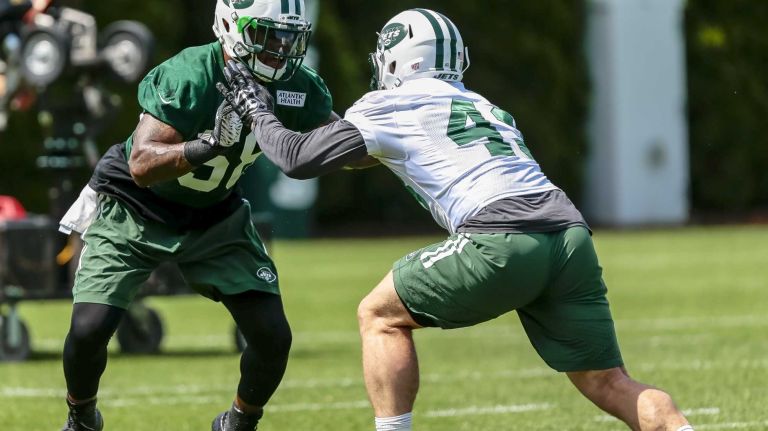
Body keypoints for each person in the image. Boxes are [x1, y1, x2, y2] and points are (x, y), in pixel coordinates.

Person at [219, 8, 696, 431]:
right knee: (608, 381)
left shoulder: (391, 103)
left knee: (379, 315)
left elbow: (297, 161)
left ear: (396, 60)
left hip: (502, 235)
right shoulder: (484, 105)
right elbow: (369, 153)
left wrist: (257, 109)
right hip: (569, 234)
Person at [56, 0, 335, 430]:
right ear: (230, 25)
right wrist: (207, 145)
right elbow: (143, 166)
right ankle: (82, 417)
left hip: (214, 214)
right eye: (268, 33)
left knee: (272, 336)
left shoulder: (297, 84)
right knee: (89, 330)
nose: (281, 46)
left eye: (288, 35)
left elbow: (343, 144)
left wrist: (388, 135)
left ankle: (238, 424)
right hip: (135, 207)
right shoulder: (191, 72)